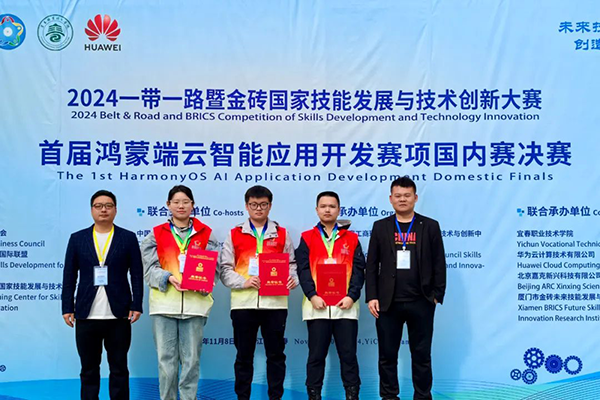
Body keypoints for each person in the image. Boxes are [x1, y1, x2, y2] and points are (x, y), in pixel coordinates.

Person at [366, 176, 446, 400]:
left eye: (407, 195)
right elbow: (371, 264)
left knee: (421, 355)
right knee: (387, 355)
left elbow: (439, 262)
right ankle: (389, 396)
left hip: (422, 301)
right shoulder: (381, 226)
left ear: (415, 198)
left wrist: (436, 295)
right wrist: (371, 296)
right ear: (390, 199)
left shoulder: (429, 226)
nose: (402, 199)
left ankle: (422, 395)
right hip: (387, 303)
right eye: (398, 196)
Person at [62, 190, 144, 400]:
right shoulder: (78, 238)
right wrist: (67, 307)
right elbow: (69, 275)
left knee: (119, 368)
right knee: (88, 369)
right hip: (86, 314)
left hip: (119, 314)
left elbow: (136, 274)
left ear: (115, 210)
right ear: (92, 210)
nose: (103, 210)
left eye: (108, 205)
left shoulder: (127, 238)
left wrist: (137, 304)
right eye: (98, 206)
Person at [219, 185, 299, 400]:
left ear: (270, 206)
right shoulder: (235, 234)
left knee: (276, 356)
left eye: (263, 204)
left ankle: (276, 397)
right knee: (243, 357)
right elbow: (224, 269)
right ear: (246, 206)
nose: (258, 209)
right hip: (243, 304)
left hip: (275, 304)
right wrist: (244, 282)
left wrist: (293, 278)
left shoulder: (282, 234)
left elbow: (292, 264)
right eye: (254, 204)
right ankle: (242, 397)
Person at [141, 185, 220, 400]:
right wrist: (168, 278)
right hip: (164, 306)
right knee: (166, 362)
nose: (181, 206)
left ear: (193, 205)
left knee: (191, 361)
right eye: (176, 202)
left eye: (186, 202)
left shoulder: (206, 234)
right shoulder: (156, 234)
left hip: (195, 306)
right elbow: (148, 269)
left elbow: (215, 269)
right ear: (168, 205)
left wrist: (202, 283)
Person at [295, 191, 365, 400]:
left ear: (339, 210)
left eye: (332, 206)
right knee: (316, 356)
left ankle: (352, 395)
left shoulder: (352, 238)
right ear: (317, 210)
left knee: (348, 356)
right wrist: (312, 295)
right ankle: (314, 396)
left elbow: (359, 270)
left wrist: (352, 296)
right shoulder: (307, 237)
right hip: (317, 307)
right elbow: (303, 270)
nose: (327, 210)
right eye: (323, 206)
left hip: (346, 307)